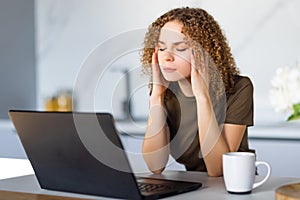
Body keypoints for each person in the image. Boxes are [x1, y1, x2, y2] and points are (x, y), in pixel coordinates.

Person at [140, 7, 254, 177]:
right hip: (196, 185)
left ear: (204, 52)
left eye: (180, 48)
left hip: (235, 185)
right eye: (161, 48)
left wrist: (202, 97)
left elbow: (219, 170)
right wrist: (156, 96)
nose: (167, 57)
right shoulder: (165, 92)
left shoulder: (239, 88)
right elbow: (155, 166)